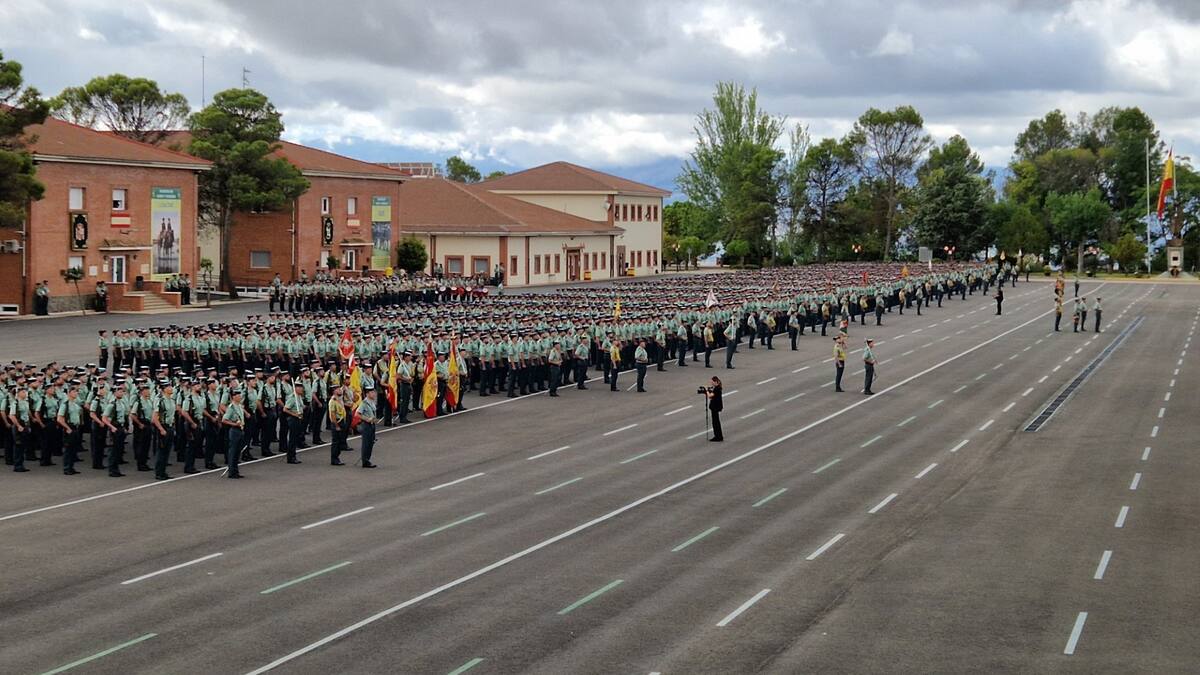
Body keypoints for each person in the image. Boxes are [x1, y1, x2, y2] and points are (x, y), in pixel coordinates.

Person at [222, 389, 246, 479]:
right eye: (238, 395)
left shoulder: (239, 406)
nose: (240, 397)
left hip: (240, 429)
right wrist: (234, 424)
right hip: (234, 430)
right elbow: (224, 420)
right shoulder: (231, 408)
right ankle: (232, 472)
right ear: (234, 397)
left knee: (237, 452)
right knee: (233, 452)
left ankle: (236, 471)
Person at [358, 387, 378, 468]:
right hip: (366, 425)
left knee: (371, 443)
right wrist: (367, 419)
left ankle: (367, 460)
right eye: (372, 392)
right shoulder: (364, 403)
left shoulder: (372, 402)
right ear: (367, 394)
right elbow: (357, 414)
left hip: (372, 424)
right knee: (366, 443)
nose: (374, 394)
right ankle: (365, 461)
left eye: (374, 392)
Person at [328, 385, 348, 465]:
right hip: (337, 422)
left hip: (342, 421)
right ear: (334, 391)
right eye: (338, 389)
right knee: (336, 442)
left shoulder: (339, 399)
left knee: (340, 441)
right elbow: (332, 414)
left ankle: (337, 457)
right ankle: (334, 459)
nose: (340, 390)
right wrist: (336, 426)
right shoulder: (333, 401)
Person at [707, 376, 724, 442]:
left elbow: (710, 396)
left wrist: (707, 392)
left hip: (715, 407)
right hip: (716, 406)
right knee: (716, 421)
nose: (711, 383)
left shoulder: (717, 388)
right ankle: (719, 435)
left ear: (715, 382)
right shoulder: (718, 388)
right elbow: (712, 397)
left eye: (712, 382)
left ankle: (718, 436)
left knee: (715, 422)